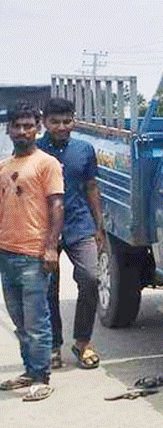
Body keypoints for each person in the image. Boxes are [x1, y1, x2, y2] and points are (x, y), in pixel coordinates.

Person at [0, 102, 64, 401]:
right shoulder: (4, 166)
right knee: (19, 321)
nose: (23, 131)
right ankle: (29, 370)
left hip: (34, 255)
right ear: (8, 129)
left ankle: (42, 377)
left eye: (28, 126)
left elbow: (56, 205)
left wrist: (51, 247)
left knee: (37, 322)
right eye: (17, 126)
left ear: (37, 128)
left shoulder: (46, 163)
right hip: (7, 253)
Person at [38, 97, 106, 369]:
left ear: (74, 120)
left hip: (80, 225)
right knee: (47, 289)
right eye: (55, 122)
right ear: (45, 122)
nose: (62, 126)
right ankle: (53, 346)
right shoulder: (35, 151)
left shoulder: (84, 150)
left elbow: (91, 186)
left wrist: (99, 225)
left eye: (67, 121)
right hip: (45, 230)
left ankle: (82, 343)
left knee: (90, 278)